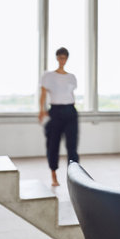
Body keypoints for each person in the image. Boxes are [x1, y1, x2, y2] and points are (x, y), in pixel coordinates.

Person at [39, 47, 79, 187]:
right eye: (60, 57)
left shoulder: (71, 77)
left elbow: (71, 96)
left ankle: (75, 177)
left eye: (64, 58)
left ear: (67, 59)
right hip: (55, 111)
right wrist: (41, 111)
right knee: (53, 144)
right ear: (57, 58)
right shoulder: (48, 76)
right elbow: (43, 95)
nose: (62, 60)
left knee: (72, 146)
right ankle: (53, 175)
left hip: (70, 111)